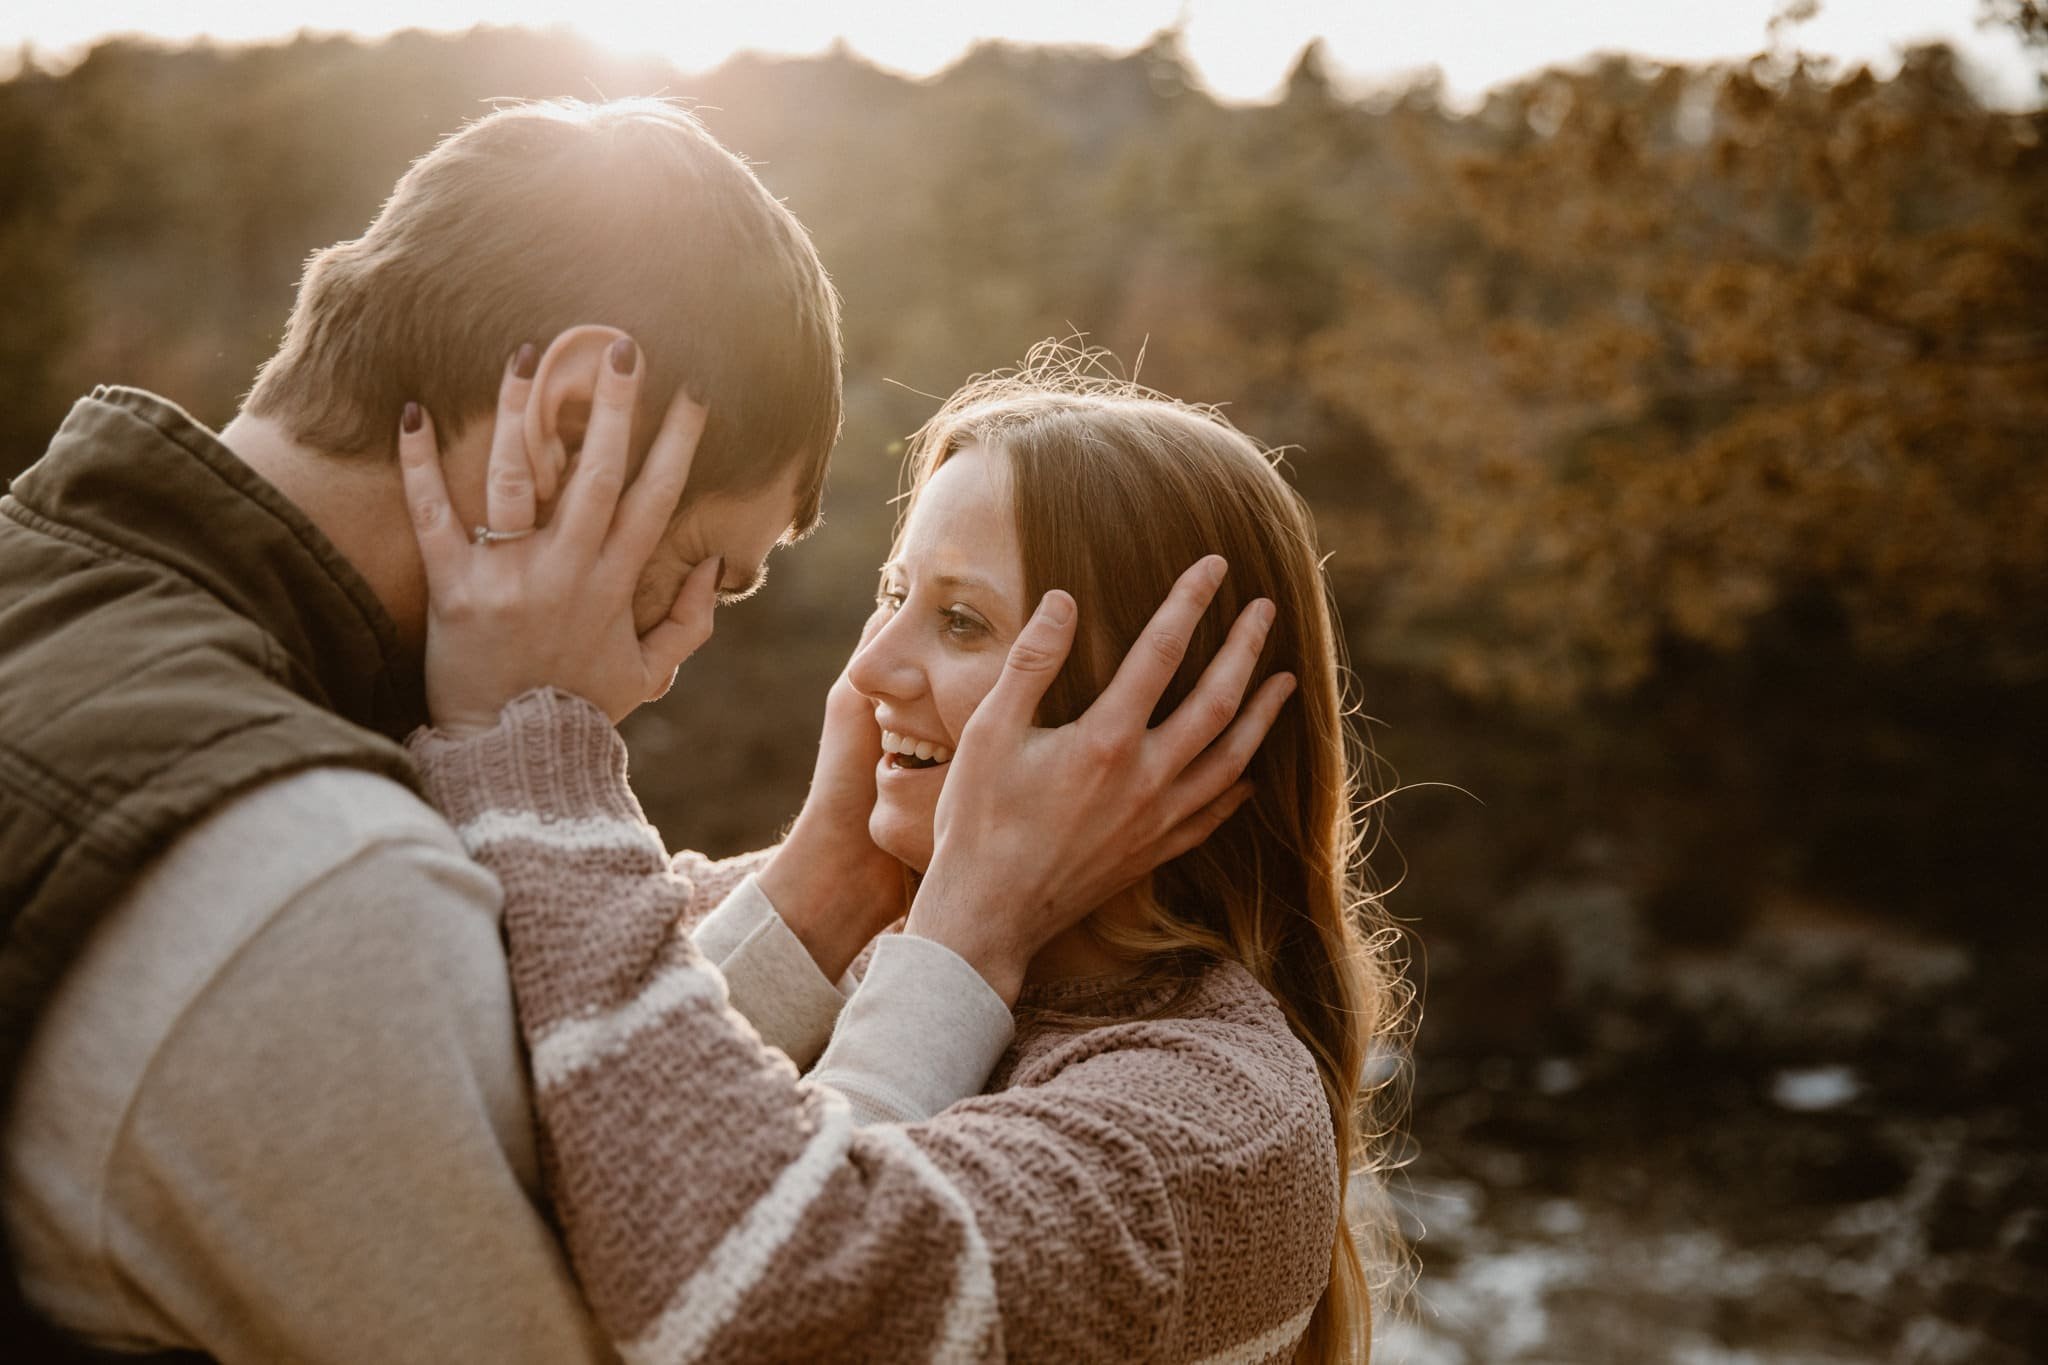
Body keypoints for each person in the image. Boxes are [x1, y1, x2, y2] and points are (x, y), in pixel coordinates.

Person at [0, 98, 1272, 1361]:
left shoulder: (51, 611)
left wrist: (827, 903)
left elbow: (625, 1141)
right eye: (703, 571)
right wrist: (530, 744)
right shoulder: (313, 888)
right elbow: (738, 1302)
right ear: (566, 429)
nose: (662, 665)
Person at [396, 343, 1410, 1363]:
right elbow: (494, 1160)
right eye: (892, 596)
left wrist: (525, 750)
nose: (873, 666)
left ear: (1158, 713)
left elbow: (778, 1308)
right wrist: (820, 895)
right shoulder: (754, 911)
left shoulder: (1213, 1128)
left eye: (962, 621)